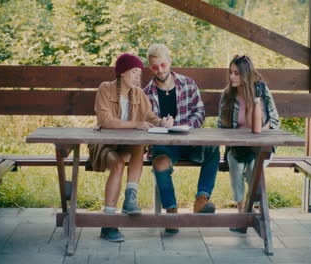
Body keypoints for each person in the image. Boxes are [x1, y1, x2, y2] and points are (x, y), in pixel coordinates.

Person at [88, 53, 174, 242]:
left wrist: (163, 122)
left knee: (138, 145)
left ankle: (130, 197)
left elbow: (150, 117)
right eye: (134, 72)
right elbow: (106, 120)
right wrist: (136, 124)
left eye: (139, 73)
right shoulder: (105, 89)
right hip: (105, 145)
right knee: (118, 164)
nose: (137, 77)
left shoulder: (138, 93)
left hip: (127, 146)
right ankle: (108, 223)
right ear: (122, 73)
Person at [143, 44, 220, 233]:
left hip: (189, 139)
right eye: (154, 67)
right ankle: (171, 211)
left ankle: (202, 199)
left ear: (169, 61)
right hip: (164, 145)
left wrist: (188, 126)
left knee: (213, 148)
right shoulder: (146, 93)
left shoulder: (188, 84)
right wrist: (161, 124)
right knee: (159, 163)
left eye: (162, 64)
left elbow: (200, 111)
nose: (160, 70)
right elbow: (145, 119)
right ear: (149, 67)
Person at [217, 54, 280, 233]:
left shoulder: (261, 90)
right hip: (237, 147)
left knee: (254, 165)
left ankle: (258, 211)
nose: (231, 77)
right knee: (235, 166)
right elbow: (221, 127)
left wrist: (261, 132)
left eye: (236, 73)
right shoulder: (227, 96)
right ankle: (241, 213)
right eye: (230, 73)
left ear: (245, 74)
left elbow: (275, 120)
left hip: (260, 146)